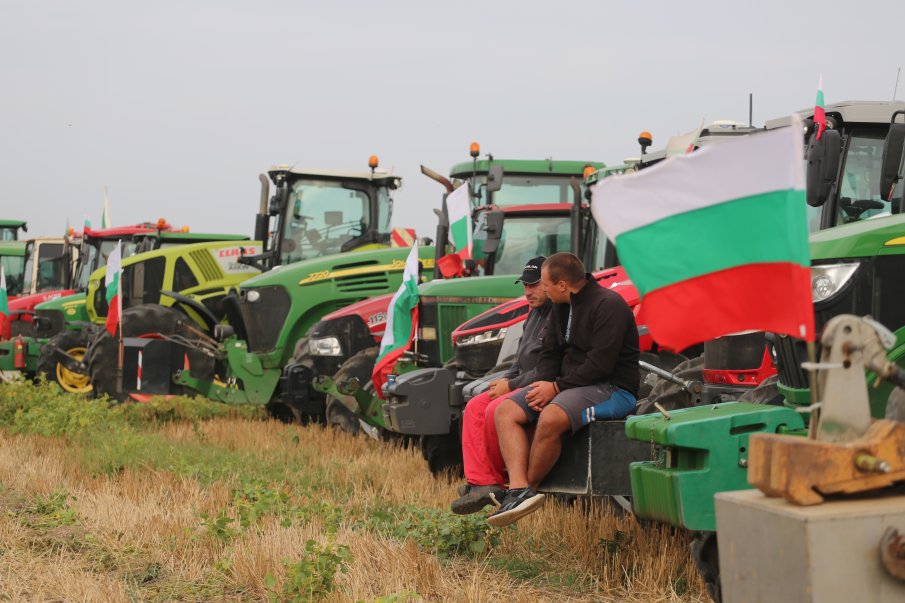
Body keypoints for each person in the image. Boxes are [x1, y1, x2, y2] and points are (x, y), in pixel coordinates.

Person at [488, 252, 640, 527]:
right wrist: (541, 386)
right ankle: (517, 489)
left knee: (552, 417)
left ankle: (529, 492)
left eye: (545, 284)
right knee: (506, 410)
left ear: (562, 284)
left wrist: (555, 387)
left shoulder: (609, 305)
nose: (542, 290)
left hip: (611, 387)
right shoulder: (561, 307)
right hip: (571, 386)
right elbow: (550, 354)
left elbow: (601, 364)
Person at [451, 256, 553, 514]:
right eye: (525, 285)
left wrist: (511, 386)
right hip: (522, 381)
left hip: (543, 384)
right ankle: (483, 483)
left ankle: (500, 480)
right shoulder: (533, 316)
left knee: (494, 408)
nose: (527, 292)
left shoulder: (559, 317)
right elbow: (521, 360)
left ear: (551, 283)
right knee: (474, 406)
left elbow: (550, 368)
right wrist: (507, 379)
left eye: (534, 285)